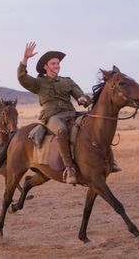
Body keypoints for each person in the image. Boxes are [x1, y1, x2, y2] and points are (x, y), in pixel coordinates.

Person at [17, 42, 120, 184]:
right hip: (51, 116)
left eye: (58, 63)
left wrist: (83, 98)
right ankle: (69, 168)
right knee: (61, 131)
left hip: (70, 114)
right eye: (53, 63)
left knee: (93, 127)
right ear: (46, 67)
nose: (57, 66)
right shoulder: (38, 83)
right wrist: (25, 59)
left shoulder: (67, 81)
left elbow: (79, 94)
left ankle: (109, 162)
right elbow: (22, 78)